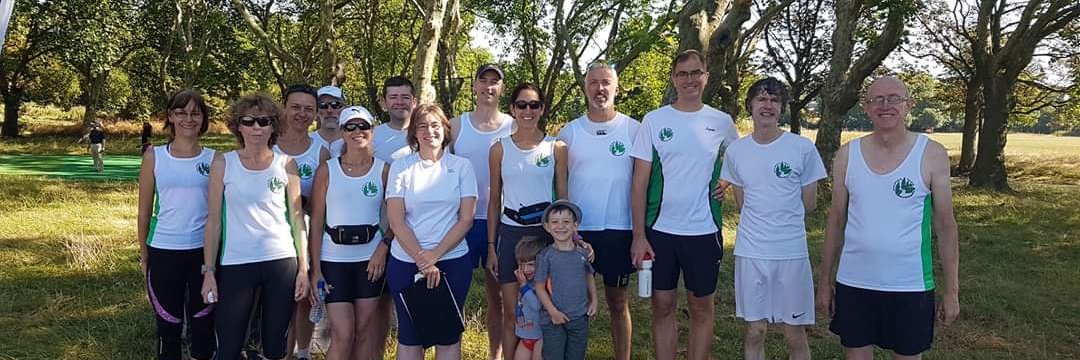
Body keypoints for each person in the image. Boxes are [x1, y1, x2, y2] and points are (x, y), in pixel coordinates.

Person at [816, 76, 960, 359]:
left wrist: (951, 291)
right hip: (855, 281)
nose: (885, 105)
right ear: (866, 107)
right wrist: (824, 281)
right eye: (877, 100)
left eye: (894, 98)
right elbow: (835, 220)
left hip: (910, 284)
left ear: (909, 105)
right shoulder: (847, 155)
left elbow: (945, 225)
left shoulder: (931, 154)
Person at [629, 49, 739, 360]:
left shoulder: (721, 121)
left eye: (695, 73)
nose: (689, 79)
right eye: (682, 74)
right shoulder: (654, 120)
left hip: (704, 231)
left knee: (701, 308)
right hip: (660, 231)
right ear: (673, 79)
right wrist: (639, 235)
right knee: (662, 306)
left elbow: (742, 160)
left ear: (706, 76)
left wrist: (725, 183)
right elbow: (638, 183)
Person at [718, 78, 826, 360]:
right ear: (750, 105)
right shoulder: (736, 151)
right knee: (755, 331)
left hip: (791, 252)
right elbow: (742, 203)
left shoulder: (802, 148)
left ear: (782, 108)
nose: (768, 105)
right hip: (751, 252)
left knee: (794, 333)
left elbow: (810, 204)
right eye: (761, 99)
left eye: (775, 100)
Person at [200, 93, 310, 360]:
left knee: (274, 346)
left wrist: (304, 268)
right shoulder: (223, 163)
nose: (256, 128)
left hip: (280, 261)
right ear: (238, 126)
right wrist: (209, 271)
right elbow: (213, 221)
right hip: (237, 262)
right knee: (229, 345)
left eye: (264, 121)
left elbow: (297, 219)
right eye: (249, 121)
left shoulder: (286, 164)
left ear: (274, 126)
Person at [556, 62, 638, 360]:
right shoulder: (569, 132)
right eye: (593, 82)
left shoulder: (634, 129)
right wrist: (566, 231)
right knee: (573, 304)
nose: (600, 88)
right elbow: (560, 185)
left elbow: (647, 180)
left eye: (606, 82)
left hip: (620, 229)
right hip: (579, 232)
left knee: (618, 302)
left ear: (616, 87)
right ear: (585, 87)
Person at [385, 104, 478, 360]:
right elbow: (396, 221)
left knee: (447, 335)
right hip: (406, 262)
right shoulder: (401, 167)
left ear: (445, 129)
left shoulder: (462, 166)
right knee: (410, 336)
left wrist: (434, 255)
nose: (429, 131)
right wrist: (422, 259)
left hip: (452, 261)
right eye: (422, 126)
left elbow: (466, 219)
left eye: (435, 125)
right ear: (414, 132)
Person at [487, 82, 569, 356]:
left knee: (547, 309)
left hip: (545, 236)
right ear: (512, 109)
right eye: (521, 105)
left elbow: (563, 201)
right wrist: (491, 246)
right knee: (513, 312)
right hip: (511, 233)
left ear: (542, 109)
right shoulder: (499, 149)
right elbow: (494, 200)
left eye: (534, 105)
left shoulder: (556, 147)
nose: (527, 110)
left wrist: (571, 240)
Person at [307, 106, 392, 360]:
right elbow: (317, 221)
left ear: (372, 130)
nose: (357, 131)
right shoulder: (327, 170)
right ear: (343, 132)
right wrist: (316, 269)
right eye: (350, 127)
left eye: (363, 126)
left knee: (364, 331)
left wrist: (383, 248)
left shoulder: (384, 170)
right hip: (334, 259)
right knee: (343, 333)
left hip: (370, 260)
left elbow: (398, 216)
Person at [137, 89, 216, 360]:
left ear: (203, 118)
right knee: (168, 325)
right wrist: (144, 255)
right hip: (163, 250)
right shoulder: (154, 156)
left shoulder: (216, 159)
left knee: (203, 324)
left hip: (203, 254)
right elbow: (144, 212)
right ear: (170, 116)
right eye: (181, 112)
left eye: (195, 113)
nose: (188, 119)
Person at [451, 63, 514, 360]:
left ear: (501, 88)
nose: (489, 86)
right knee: (453, 295)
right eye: (483, 80)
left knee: (498, 297)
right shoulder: (455, 126)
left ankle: (495, 355)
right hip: (460, 222)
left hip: (499, 222)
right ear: (474, 85)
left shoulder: (514, 126)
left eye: (495, 81)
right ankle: (450, 351)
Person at [275, 84, 331, 360]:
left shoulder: (321, 151)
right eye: (295, 107)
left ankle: (303, 353)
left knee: (304, 295)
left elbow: (321, 203)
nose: (302, 113)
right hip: (270, 234)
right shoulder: (266, 142)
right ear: (283, 107)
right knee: (276, 298)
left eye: (309, 109)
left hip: (305, 232)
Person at [532, 200, 597, 360]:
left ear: (575, 226)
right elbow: (539, 287)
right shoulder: (545, 256)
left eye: (566, 222)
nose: (560, 226)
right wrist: (553, 312)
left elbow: (588, 275)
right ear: (547, 227)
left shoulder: (582, 254)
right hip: (553, 319)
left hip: (579, 317)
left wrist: (594, 300)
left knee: (576, 355)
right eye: (555, 222)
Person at [511, 237, 547, 360]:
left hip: (540, 336)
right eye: (521, 265)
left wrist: (523, 286)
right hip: (525, 336)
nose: (526, 269)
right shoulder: (525, 281)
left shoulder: (540, 284)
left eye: (531, 264)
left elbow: (537, 305)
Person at [374, 76, 416, 163]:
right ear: (384, 103)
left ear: (414, 102)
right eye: (393, 97)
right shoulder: (371, 137)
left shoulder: (427, 134)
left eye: (405, 97)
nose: (400, 102)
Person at [312, 85, 346, 157]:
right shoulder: (305, 142)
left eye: (336, 105)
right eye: (323, 105)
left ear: (345, 108)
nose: (329, 110)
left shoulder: (355, 142)